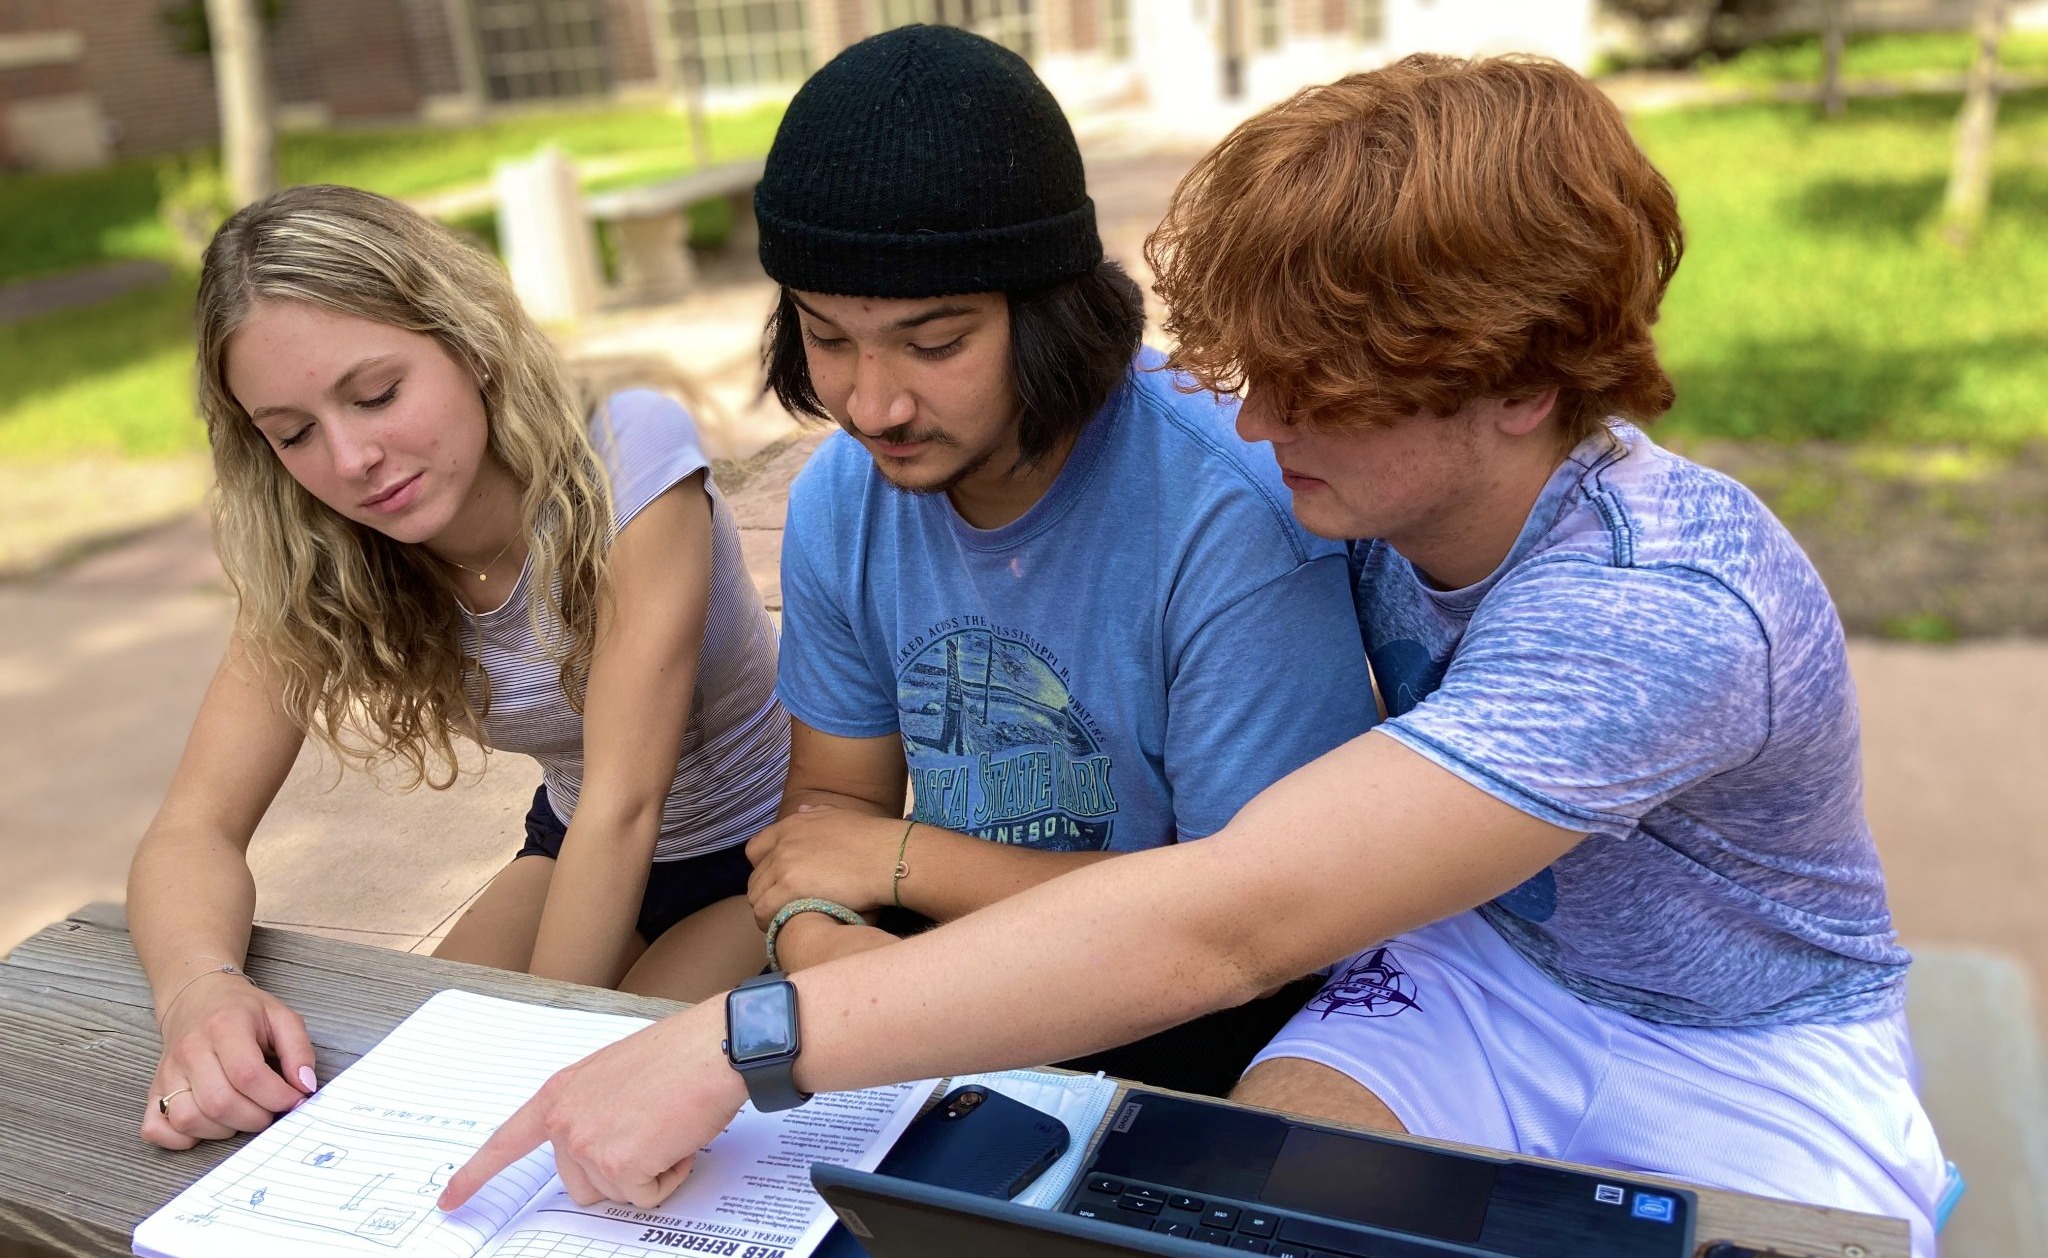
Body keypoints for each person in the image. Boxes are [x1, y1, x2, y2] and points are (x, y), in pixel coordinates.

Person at [445, 54, 1945, 1253]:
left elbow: (1231, 920)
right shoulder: (1365, 490)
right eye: (1255, 373)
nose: (1249, 425)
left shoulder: (1660, 608)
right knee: (1217, 1210)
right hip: (1478, 974)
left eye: (1316, 387)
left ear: (1523, 380)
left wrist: (745, 1040)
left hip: (1746, 1043)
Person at [682, 24, 1376, 1096]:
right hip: (942, 970)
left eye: (933, 342)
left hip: (1188, 1016)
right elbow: (829, 809)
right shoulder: (838, 497)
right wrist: (828, 946)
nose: (872, 404)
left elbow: (1249, 928)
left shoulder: (1230, 511)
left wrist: (901, 870)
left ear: (1052, 310)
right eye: (825, 336)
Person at [130, 185, 788, 1151]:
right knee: (404, 1090)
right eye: (293, 432)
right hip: (569, 846)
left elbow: (625, 801)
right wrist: (200, 994)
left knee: (570, 1107)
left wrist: (530, 1055)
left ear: (469, 342)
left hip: (762, 847)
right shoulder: (322, 548)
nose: (353, 459)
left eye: (377, 394)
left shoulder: (626, 451)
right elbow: (192, 827)